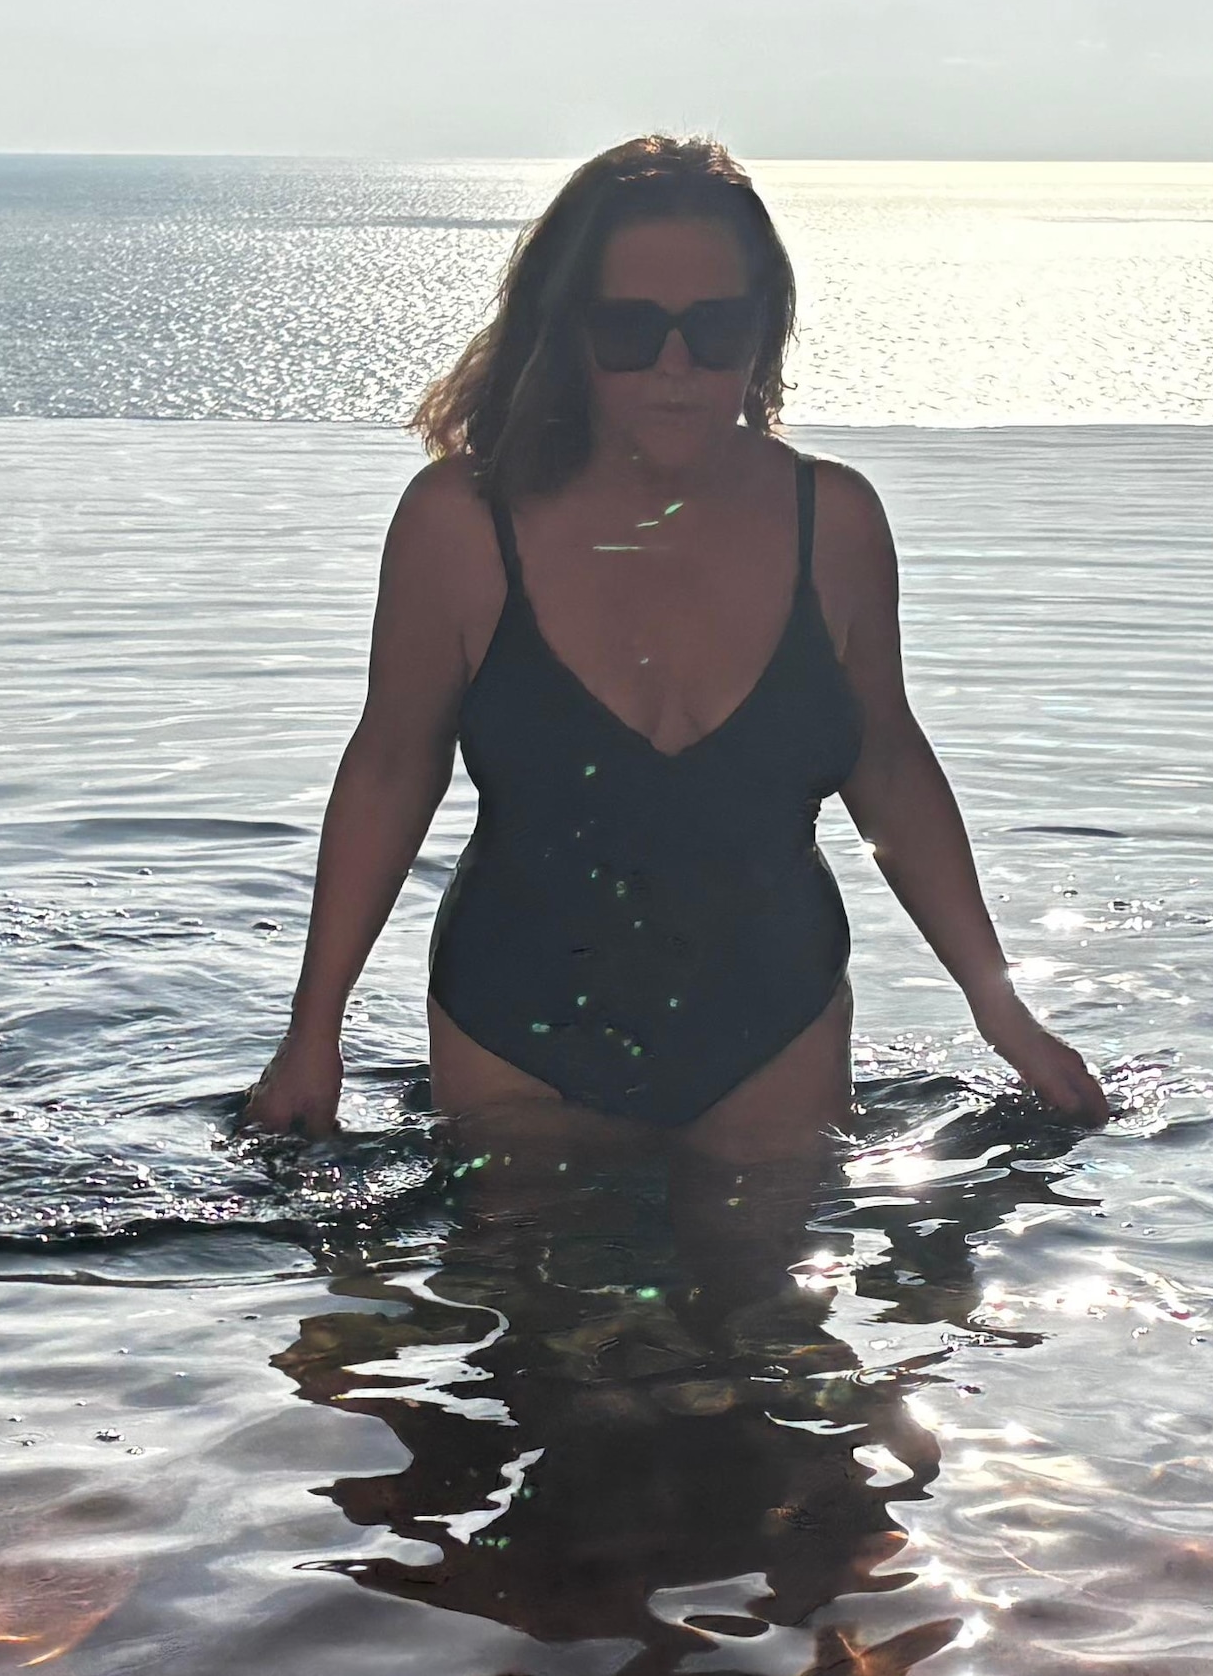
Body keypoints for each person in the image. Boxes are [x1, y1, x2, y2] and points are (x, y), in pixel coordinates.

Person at [240, 134, 1105, 1156]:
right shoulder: (460, 523)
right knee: (530, 1261)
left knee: (772, 1260)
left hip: (774, 1027)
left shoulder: (833, 523)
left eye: (716, 327)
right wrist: (313, 1035)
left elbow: (887, 765)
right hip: (516, 1028)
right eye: (629, 329)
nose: (676, 366)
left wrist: (1002, 1012)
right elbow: (391, 768)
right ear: (566, 330)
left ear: (765, 329)